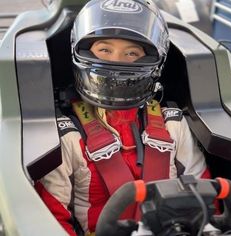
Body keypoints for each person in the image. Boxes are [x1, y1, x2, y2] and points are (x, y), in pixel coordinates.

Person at [35, 0, 211, 235]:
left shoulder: (173, 123)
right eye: (105, 50)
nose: (116, 61)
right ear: (84, 52)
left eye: (131, 53)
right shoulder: (67, 136)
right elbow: (51, 219)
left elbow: (205, 196)